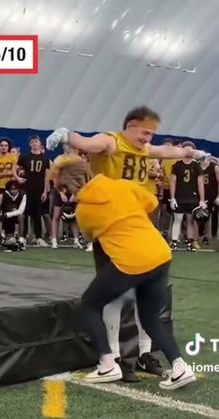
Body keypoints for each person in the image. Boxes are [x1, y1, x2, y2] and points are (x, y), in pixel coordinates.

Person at [47, 106, 209, 380]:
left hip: (132, 221)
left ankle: (138, 354)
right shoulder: (112, 141)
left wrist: (193, 153)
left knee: (135, 301)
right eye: (145, 132)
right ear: (130, 125)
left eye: (151, 134)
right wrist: (68, 136)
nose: (148, 139)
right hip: (113, 222)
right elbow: (88, 143)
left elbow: (167, 151)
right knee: (117, 299)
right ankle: (117, 358)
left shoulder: (143, 150)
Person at [54, 155, 196, 390]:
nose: (64, 193)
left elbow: (95, 240)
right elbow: (151, 203)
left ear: (72, 184)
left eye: (63, 188)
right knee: (149, 317)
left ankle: (108, 362)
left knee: (89, 304)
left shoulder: (84, 211)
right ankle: (180, 367)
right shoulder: (122, 185)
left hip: (130, 261)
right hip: (159, 252)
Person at [13, 135, 50, 247]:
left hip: (38, 189)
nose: (34, 143)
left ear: (40, 143)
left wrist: (45, 191)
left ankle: (38, 237)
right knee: (24, 213)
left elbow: (47, 176)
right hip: (26, 188)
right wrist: (18, 178)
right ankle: (23, 237)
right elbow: (14, 168)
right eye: (32, 142)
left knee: (37, 214)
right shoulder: (25, 156)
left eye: (36, 141)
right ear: (30, 144)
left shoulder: (45, 158)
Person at [170, 141, 206, 251]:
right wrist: (172, 198)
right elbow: (173, 182)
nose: (189, 151)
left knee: (191, 221)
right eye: (187, 149)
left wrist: (202, 200)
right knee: (177, 219)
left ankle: (190, 242)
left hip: (193, 198)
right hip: (180, 197)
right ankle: (174, 242)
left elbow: (200, 184)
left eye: (191, 149)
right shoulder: (177, 165)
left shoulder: (196, 166)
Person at [0, 180, 26, 248]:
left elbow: (21, 210)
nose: (14, 191)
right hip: (5, 218)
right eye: (12, 189)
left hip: (12, 215)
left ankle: (21, 239)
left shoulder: (23, 195)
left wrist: (8, 214)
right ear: (8, 189)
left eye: (16, 189)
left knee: (21, 216)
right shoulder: (3, 195)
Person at [200, 156, 219, 244]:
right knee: (198, 214)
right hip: (199, 194)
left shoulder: (214, 167)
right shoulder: (197, 166)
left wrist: (218, 196)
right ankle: (197, 235)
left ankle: (206, 236)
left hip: (211, 194)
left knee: (209, 215)